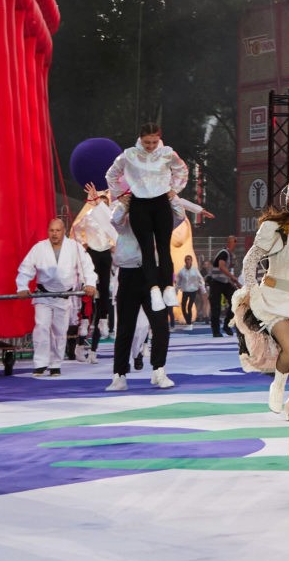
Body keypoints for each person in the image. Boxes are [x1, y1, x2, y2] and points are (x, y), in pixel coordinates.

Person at [107, 192, 203, 391]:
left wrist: (171, 197)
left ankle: (159, 370)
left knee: (160, 325)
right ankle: (119, 375)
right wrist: (126, 203)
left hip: (155, 276)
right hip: (129, 273)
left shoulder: (160, 218)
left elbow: (178, 216)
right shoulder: (127, 216)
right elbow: (114, 221)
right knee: (125, 327)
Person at [242, 172, 289, 414]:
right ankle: (278, 386)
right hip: (274, 298)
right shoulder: (275, 228)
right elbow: (251, 259)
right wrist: (251, 290)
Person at [104, 124, 190, 313]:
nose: (150, 146)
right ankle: (153, 290)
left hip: (161, 203)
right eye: (146, 142)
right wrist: (119, 194)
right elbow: (111, 174)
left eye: (153, 141)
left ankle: (168, 288)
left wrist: (174, 190)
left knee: (163, 248)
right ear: (140, 139)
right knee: (147, 250)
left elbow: (182, 170)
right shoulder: (129, 155)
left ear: (159, 138)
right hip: (139, 205)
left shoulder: (167, 153)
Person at [15, 216, 95, 377]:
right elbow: (26, 268)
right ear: (48, 232)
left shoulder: (74, 247)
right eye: (51, 230)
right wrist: (22, 286)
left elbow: (86, 266)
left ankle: (55, 364)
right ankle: (40, 363)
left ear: (64, 231)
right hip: (43, 295)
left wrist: (90, 283)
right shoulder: (39, 248)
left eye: (58, 230)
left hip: (64, 296)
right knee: (41, 327)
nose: (55, 234)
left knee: (59, 331)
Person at [72, 184, 118, 340]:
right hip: (91, 252)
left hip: (105, 252)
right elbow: (77, 229)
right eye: (100, 201)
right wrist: (82, 243)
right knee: (89, 285)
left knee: (104, 286)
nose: (102, 204)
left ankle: (103, 320)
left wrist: (113, 245)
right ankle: (85, 320)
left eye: (105, 202)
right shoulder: (88, 216)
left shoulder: (111, 218)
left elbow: (117, 233)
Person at [206, 250, 238, 338]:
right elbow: (221, 267)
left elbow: (227, 274)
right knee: (216, 307)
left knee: (235, 302)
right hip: (216, 281)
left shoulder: (230, 259)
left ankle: (226, 325)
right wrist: (233, 278)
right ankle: (216, 331)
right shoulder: (224, 253)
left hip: (225, 282)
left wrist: (237, 284)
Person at [174, 254, 204, 325]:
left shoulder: (195, 270)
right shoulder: (181, 271)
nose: (188, 261)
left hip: (193, 291)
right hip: (185, 291)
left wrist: (203, 289)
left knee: (190, 306)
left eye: (189, 259)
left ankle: (189, 322)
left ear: (191, 261)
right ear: (185, 261)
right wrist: (176, 291)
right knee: (183, 306)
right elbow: (178, 282)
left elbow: (201, 279)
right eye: (186, 259)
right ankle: (187, 319)